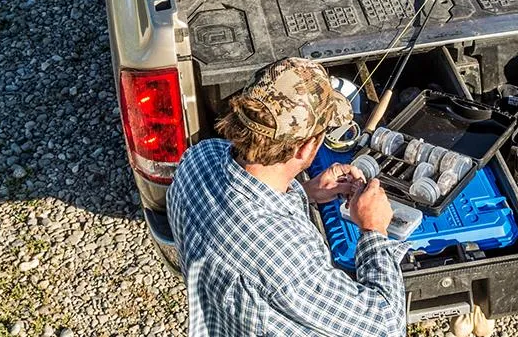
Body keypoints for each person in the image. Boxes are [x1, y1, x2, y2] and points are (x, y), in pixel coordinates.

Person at [167, 57, 408, 336]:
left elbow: (248, 211)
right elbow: (388, 326)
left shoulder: (200, 157)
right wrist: (373, 230)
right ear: (305, 149)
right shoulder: (288, 261)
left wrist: (306, 192)